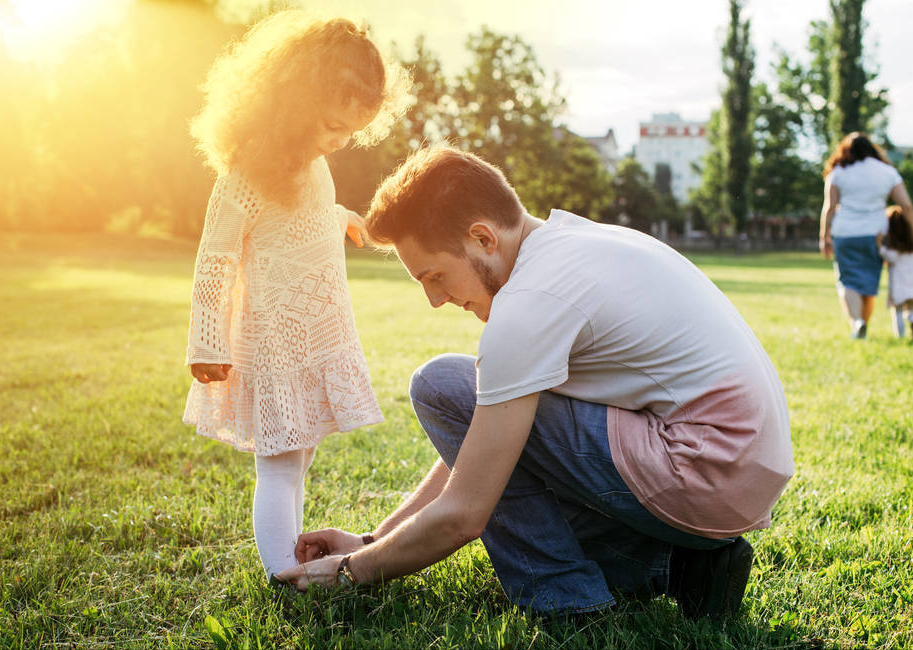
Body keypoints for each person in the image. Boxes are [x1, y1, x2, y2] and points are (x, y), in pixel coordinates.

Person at [277, 145, 795, 620]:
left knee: (440, 384)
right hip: (736, 473)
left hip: (704, 466)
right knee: (490, 429)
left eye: (434, 276)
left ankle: (566, 598)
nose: (436, 301)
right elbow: (485, 437)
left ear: (483, 237)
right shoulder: (569, 243)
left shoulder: (529, 304)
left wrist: (349, 572)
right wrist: (373, 539)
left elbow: (465, 513)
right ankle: (678, 565)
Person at [183, 11, 410, 577]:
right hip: (275, 338)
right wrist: (207, 340)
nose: (340, 140)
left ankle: (292, 560)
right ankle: (285, 574)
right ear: (295, 103)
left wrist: (341, 218)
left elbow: (299, 219)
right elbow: (217, 255)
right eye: (333, 125)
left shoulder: (315, 164)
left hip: (314, 330)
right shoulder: (247, 169)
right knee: (280, 463)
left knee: (300, 455)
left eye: (351, 132)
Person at [819, 132, 913, 339]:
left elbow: (830, 207)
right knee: (868, 284)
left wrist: (824, 236)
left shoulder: (838, 172)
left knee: (847, 282)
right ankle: (862, 323)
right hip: (876, 234)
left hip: (845, 233)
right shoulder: (887, 172)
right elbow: (906, 205)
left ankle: (857, 322)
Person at [879, 205, 913, 339]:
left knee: (897, 311)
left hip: (898, 286)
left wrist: (879, 244)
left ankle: (900, 337)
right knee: (911, 308)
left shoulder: (893, 251)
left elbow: (886, 256)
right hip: (912, 285)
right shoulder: (910, 248)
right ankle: (911, 318)